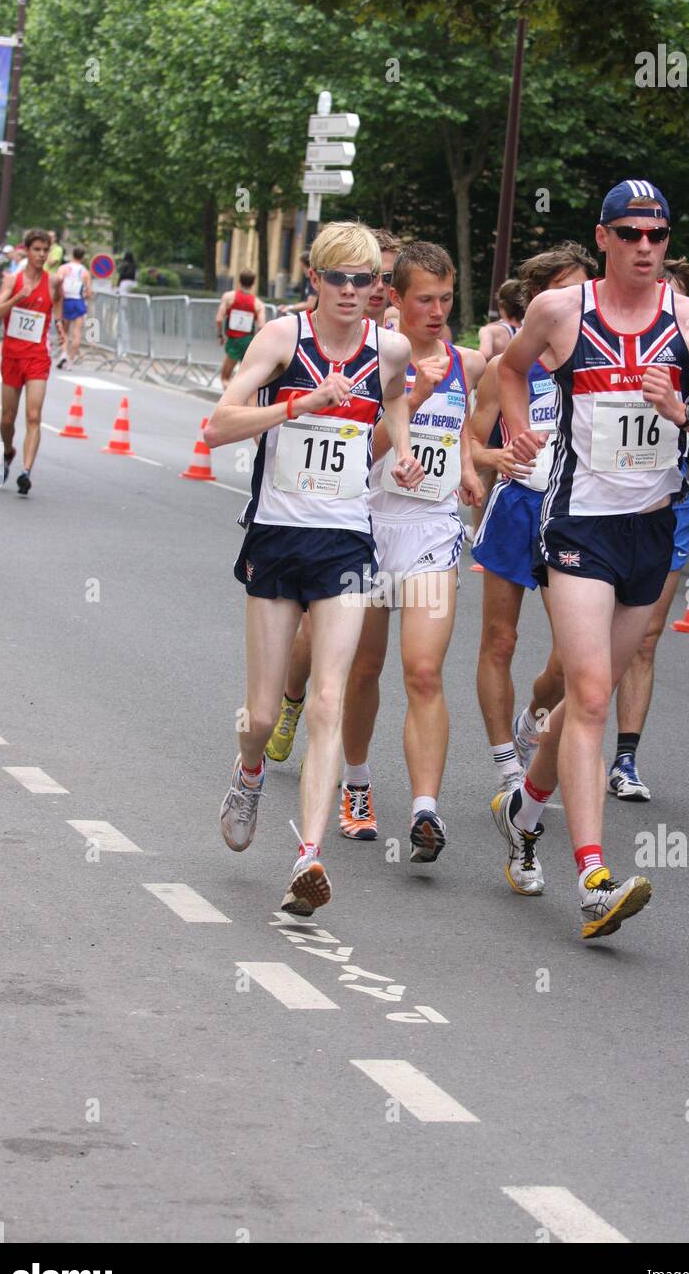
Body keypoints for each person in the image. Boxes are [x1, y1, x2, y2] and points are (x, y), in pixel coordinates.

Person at [492, 178, 689, 938]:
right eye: (632, 233)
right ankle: (593, 876)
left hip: (652, 529)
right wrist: (518, 431)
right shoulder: (558, 312)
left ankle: (524, 812)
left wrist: (684, 413)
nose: (647, 247)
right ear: (603, 237)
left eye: (660, 234)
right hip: (578, 526)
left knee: (585, 697)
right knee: (594, 694)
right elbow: (511, 369)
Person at [203, 221, 423, 917]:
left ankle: (309, 857)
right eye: (342, 279)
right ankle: (248, 770)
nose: (355, 291)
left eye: (368, 280)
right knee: (262, 715)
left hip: (345, 543)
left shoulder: (388, 349)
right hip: (276, 537)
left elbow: (395, 395)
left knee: (327, 700)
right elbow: (218, 424)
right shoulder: (281, 339)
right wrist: (298, 404)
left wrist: (406, 448)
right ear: (315, 280)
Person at [338, 242, 484, 859]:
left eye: (446, 299)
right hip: (367, 528)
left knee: (422, 671)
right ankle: (357, 784)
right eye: (424, 298)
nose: (436, 310)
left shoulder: (466, 363)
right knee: (364, 667)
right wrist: (413, 399)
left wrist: (472, 467)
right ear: (394, 298)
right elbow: (355, 455)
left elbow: (464, 432)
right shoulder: (371, 361)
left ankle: (426, 809)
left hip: (430, 531)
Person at [264, 229, 403, 766]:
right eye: (361, 276)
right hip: (326, 509)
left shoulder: (400, 344)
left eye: (380, 278)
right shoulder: (304, 331)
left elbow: (403, 420)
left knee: (369, 663)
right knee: (311, 629)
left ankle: (355, 778)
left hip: (396, 512)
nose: (371, 288)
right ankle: (290, 705)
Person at [469, 243, 596, 819]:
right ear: (541, 298)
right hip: (518, 505)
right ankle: (505, 764)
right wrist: (496, 458)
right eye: (569, 291)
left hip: (574, 511)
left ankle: (530, 721)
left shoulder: (594, 358)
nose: (580, 301)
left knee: (573, 662)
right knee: (500, 640)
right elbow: (470, 442)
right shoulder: (506, 368)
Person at [606, 259, 689, 802]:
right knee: (579, 654)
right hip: (596, 508)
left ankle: (625, 758)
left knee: (645, 639)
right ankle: (550, 725)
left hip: (666, 507)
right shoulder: (602, 338)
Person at [0, 228, 63, 495]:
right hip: (11, 356)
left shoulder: (53, 281)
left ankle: (25, 472)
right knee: (7, 419)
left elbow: (58, 303)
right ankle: (8, 452)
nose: (42, 255)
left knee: (34, 416)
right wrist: (18, 298)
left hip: (37, 357)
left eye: (45, 250)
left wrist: (59, 324)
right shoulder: (12, 280)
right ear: (27, 251)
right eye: (36, 250)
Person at [217, 269, 266, 385]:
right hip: (248, 342)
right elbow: (261, 326)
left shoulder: (228, 297)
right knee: (244, 379)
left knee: (225, 378)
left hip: (233, 341)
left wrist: (220, 335)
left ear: (239, 281)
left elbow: (219, 319)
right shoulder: (258, 304)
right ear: (253, 283)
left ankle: (229, 401)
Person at [55, 247, 92, 368]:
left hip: (65, 301)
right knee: (77, 332)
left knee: (64, 331)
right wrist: (84, 296)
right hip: (78, 301)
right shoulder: (85, 272)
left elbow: (57, 283)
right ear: (83, 257)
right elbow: (89, 292)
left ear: (72, 255)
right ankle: (70, 360)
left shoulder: (63, 268)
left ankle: (64, 353)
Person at [478, 279, 523, 362]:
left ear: (501, 304)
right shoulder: (529, 329)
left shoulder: (490, 331)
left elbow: (485, 354)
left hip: (498, 373)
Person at [278, 251, 317, 316]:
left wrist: (289, 308)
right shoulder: (311, 280)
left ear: (303, 265)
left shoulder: (313, 281)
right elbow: (307, 303)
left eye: (301, 265)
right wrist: (288, 307)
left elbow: (310, 305)